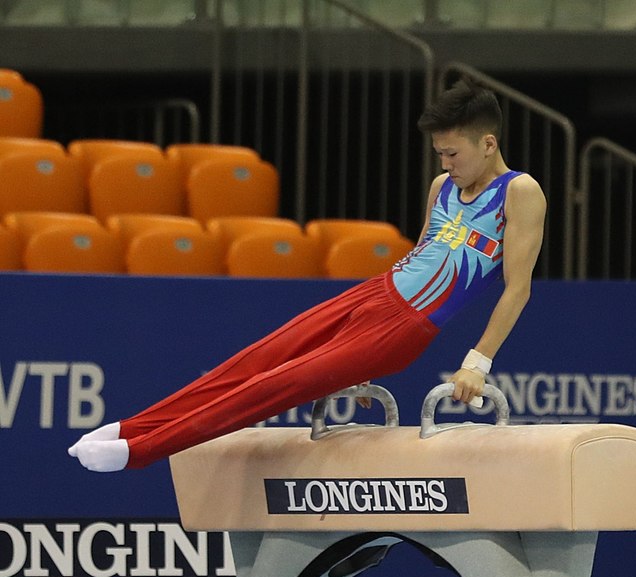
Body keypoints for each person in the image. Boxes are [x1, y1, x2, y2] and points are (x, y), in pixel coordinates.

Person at [68, 78, 547, 472]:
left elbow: (517, 287)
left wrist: (477, 362)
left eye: (452, 154)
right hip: (373, 295)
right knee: (250, 363)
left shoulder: (520, 192)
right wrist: (362, 365)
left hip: (402, 328)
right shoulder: (442, 185)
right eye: (439, 154)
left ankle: (140, 452)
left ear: (489, 143)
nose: (444, 164)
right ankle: (132, 428)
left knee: (269, 388)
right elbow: (422, 254)